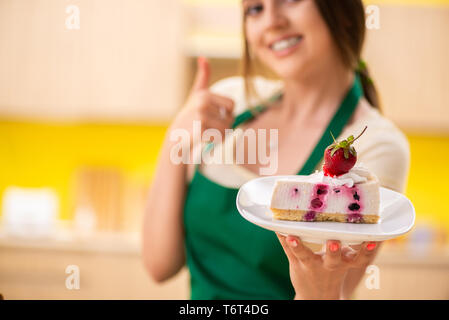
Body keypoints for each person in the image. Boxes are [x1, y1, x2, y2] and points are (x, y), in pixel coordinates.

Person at [142, 0, 410, 300]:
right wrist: (174, 140)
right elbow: (159, 266)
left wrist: (321, 291)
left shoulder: (375, 144)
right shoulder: (230, 102)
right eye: (255, 9)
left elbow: (336, 292)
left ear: (342, 10)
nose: (271, 21)